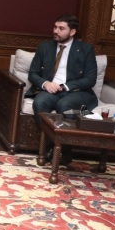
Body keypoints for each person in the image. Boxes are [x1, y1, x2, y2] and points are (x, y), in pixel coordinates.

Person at [28, 14, 98, 166]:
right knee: (40, 102)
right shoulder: (45, 47)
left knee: (64, 105)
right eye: (55, 27)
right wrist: (46, 83)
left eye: (61, 28)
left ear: (72, 32)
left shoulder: (86, 49)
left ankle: (64, 150)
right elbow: (33, 73)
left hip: (75, 91)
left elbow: (90, 79)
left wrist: (66, 86)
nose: (56, 31)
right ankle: (51, 147)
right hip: (51, 89)